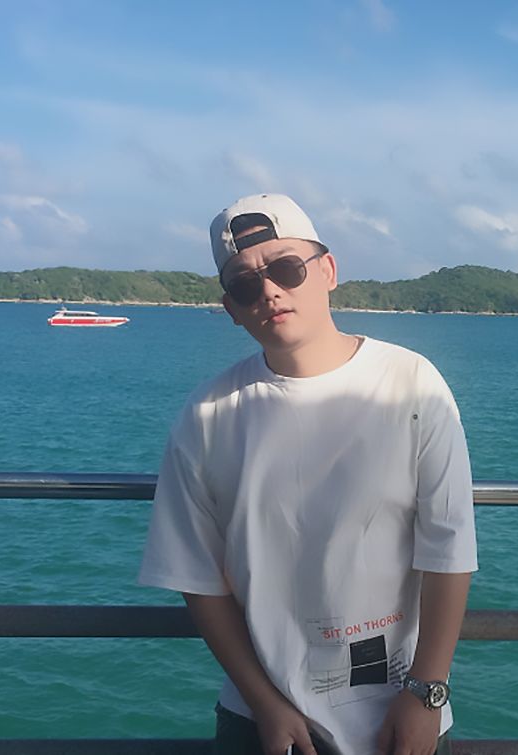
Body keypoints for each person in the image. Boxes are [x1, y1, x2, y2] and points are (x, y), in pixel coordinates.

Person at [138, 193, 478, 755]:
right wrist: (264, 703)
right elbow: (197, 577)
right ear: (231, 307)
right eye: (245, 284)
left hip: (399, 709)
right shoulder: (207, 415)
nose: (270, 291)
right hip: (260, 718)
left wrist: (426, 691)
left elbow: (448, 545)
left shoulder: (412, 383)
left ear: (327, 271)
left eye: (286, 268)